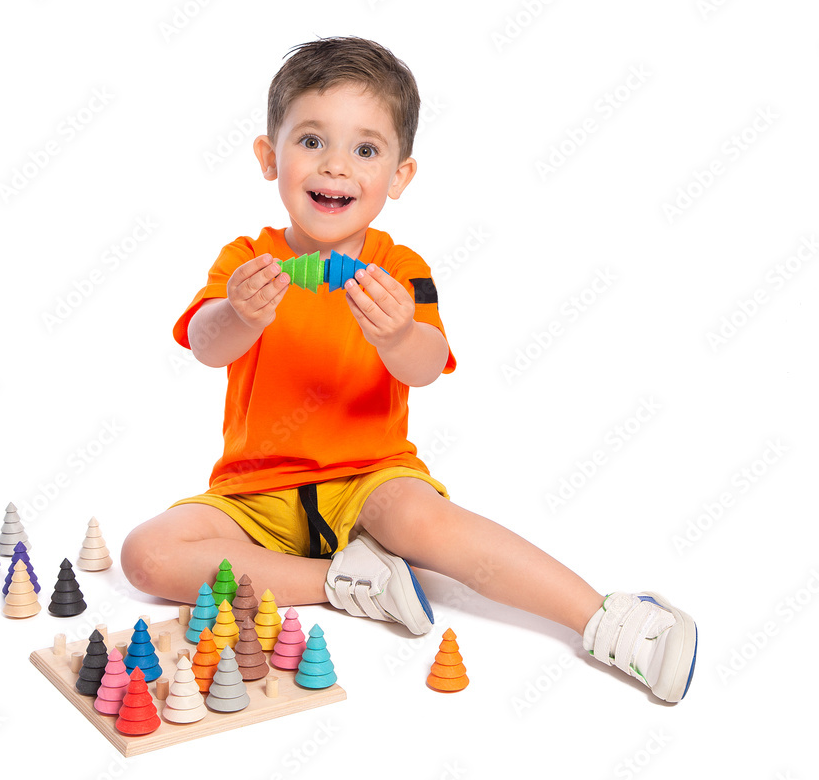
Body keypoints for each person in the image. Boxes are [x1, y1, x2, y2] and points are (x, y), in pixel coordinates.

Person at [121, 36, 697, 703]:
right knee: (148, 555)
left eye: (365, 150)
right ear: (267, 156)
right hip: (254, 499)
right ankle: (345, 580)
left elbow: (425, 365)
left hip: (372, 481)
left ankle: (606, 618)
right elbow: (204, 342)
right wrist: (241, 315)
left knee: (423, 525)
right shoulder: (245, 260)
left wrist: (396, 333)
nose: (336, 165)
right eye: (311, 140)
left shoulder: (400, 269)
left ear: (399, 176)